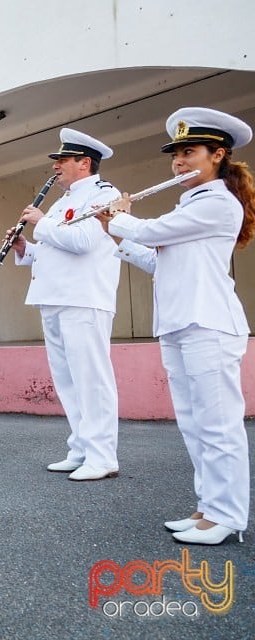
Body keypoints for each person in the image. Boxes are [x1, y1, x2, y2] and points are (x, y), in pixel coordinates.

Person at [100, 107, 253, 544]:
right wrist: (118, 236)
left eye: (190, 151)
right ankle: (207, 508)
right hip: (180, 324)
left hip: (209, 324)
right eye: (176, 154)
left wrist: (119, 216)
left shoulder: (220, 203)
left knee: (219, 423)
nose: (179, 162)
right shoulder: (189, 206)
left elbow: (153, 231)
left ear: (218, 155)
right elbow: (157, 258)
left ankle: (226, 517)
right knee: (193, 422)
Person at [10, 128, 122, 481]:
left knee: (92, 379)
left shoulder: (104, 194)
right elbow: (53, 248)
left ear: (84, 162)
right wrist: (24, 248)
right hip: (55, 297)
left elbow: (84, 242)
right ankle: (82, 448)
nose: (56, 167)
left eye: (62, 160)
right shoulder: (63, 201)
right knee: (68, 380)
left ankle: (103, 456)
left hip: (84, 298)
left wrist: (42, 224)